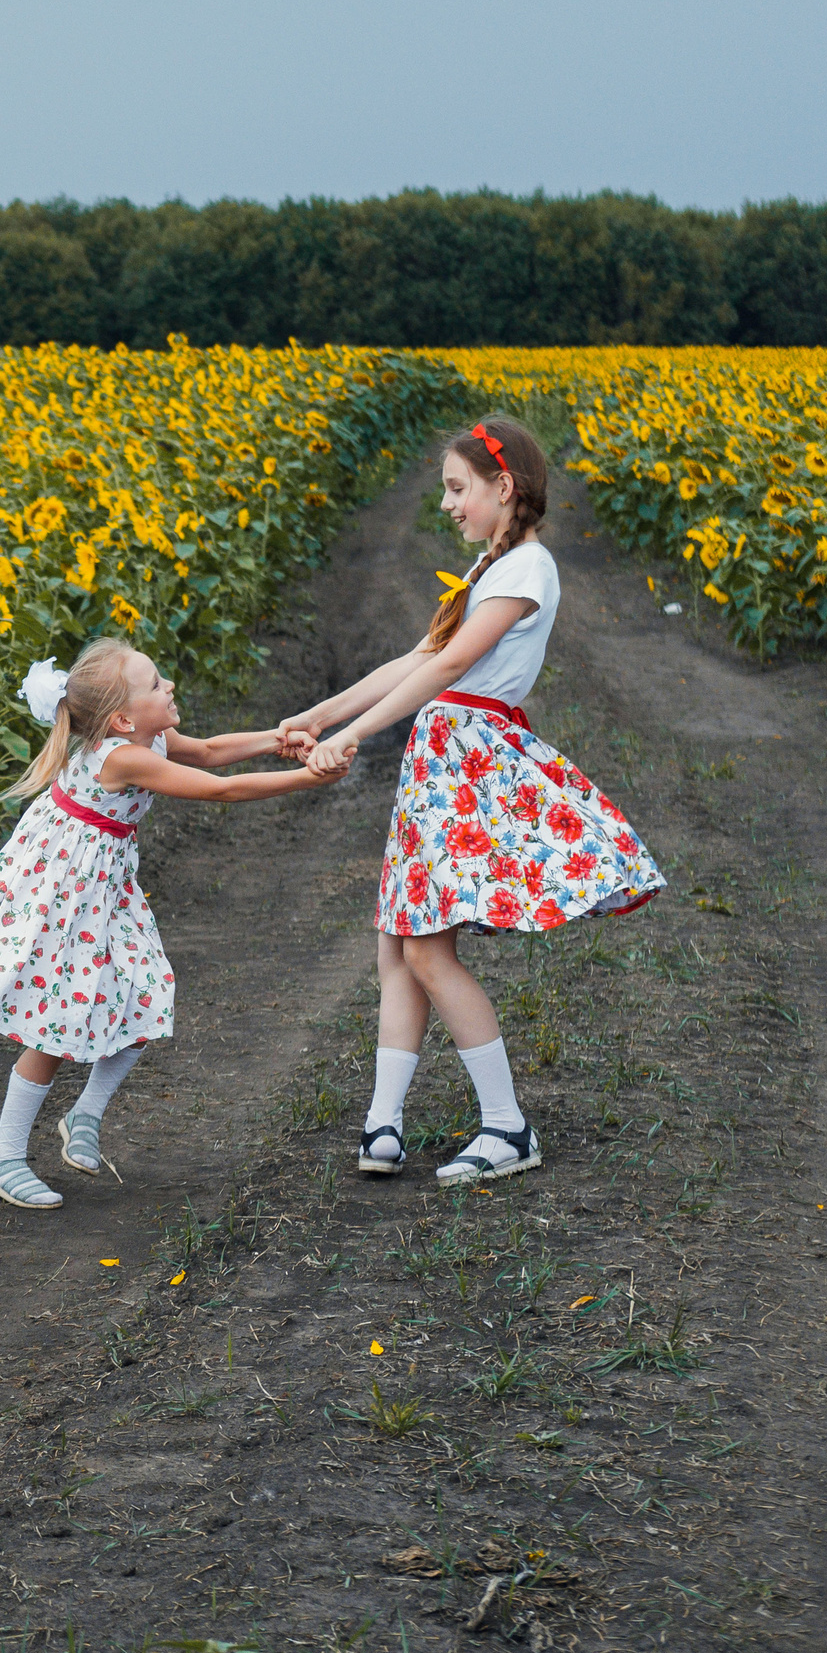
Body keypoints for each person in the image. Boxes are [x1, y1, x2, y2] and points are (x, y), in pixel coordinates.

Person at [281, 416, 665, 1187]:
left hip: (468, 761)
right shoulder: (491, 569)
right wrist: (322, 715)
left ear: (504, 486)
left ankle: (507, 1125)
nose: (449, 505)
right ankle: (383, 1125)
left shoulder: (528, 568)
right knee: (399, 941)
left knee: (426, 947)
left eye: (459, 489)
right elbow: (421, 655)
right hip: (441, 760)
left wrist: (352, 736)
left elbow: (454, 660)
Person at [0, 637, 348, 1209]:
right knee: (55, 1023)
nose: (170, 685)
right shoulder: (121, 756)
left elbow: (205, 752)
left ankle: (84, 1113)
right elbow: (220, 790)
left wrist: (280, 740)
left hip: (102, 887)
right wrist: (310, 779)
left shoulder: (146, 736)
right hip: (64, 894)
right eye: (156, 683)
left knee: (146, 993)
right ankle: (2, 1154)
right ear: (123, 717)